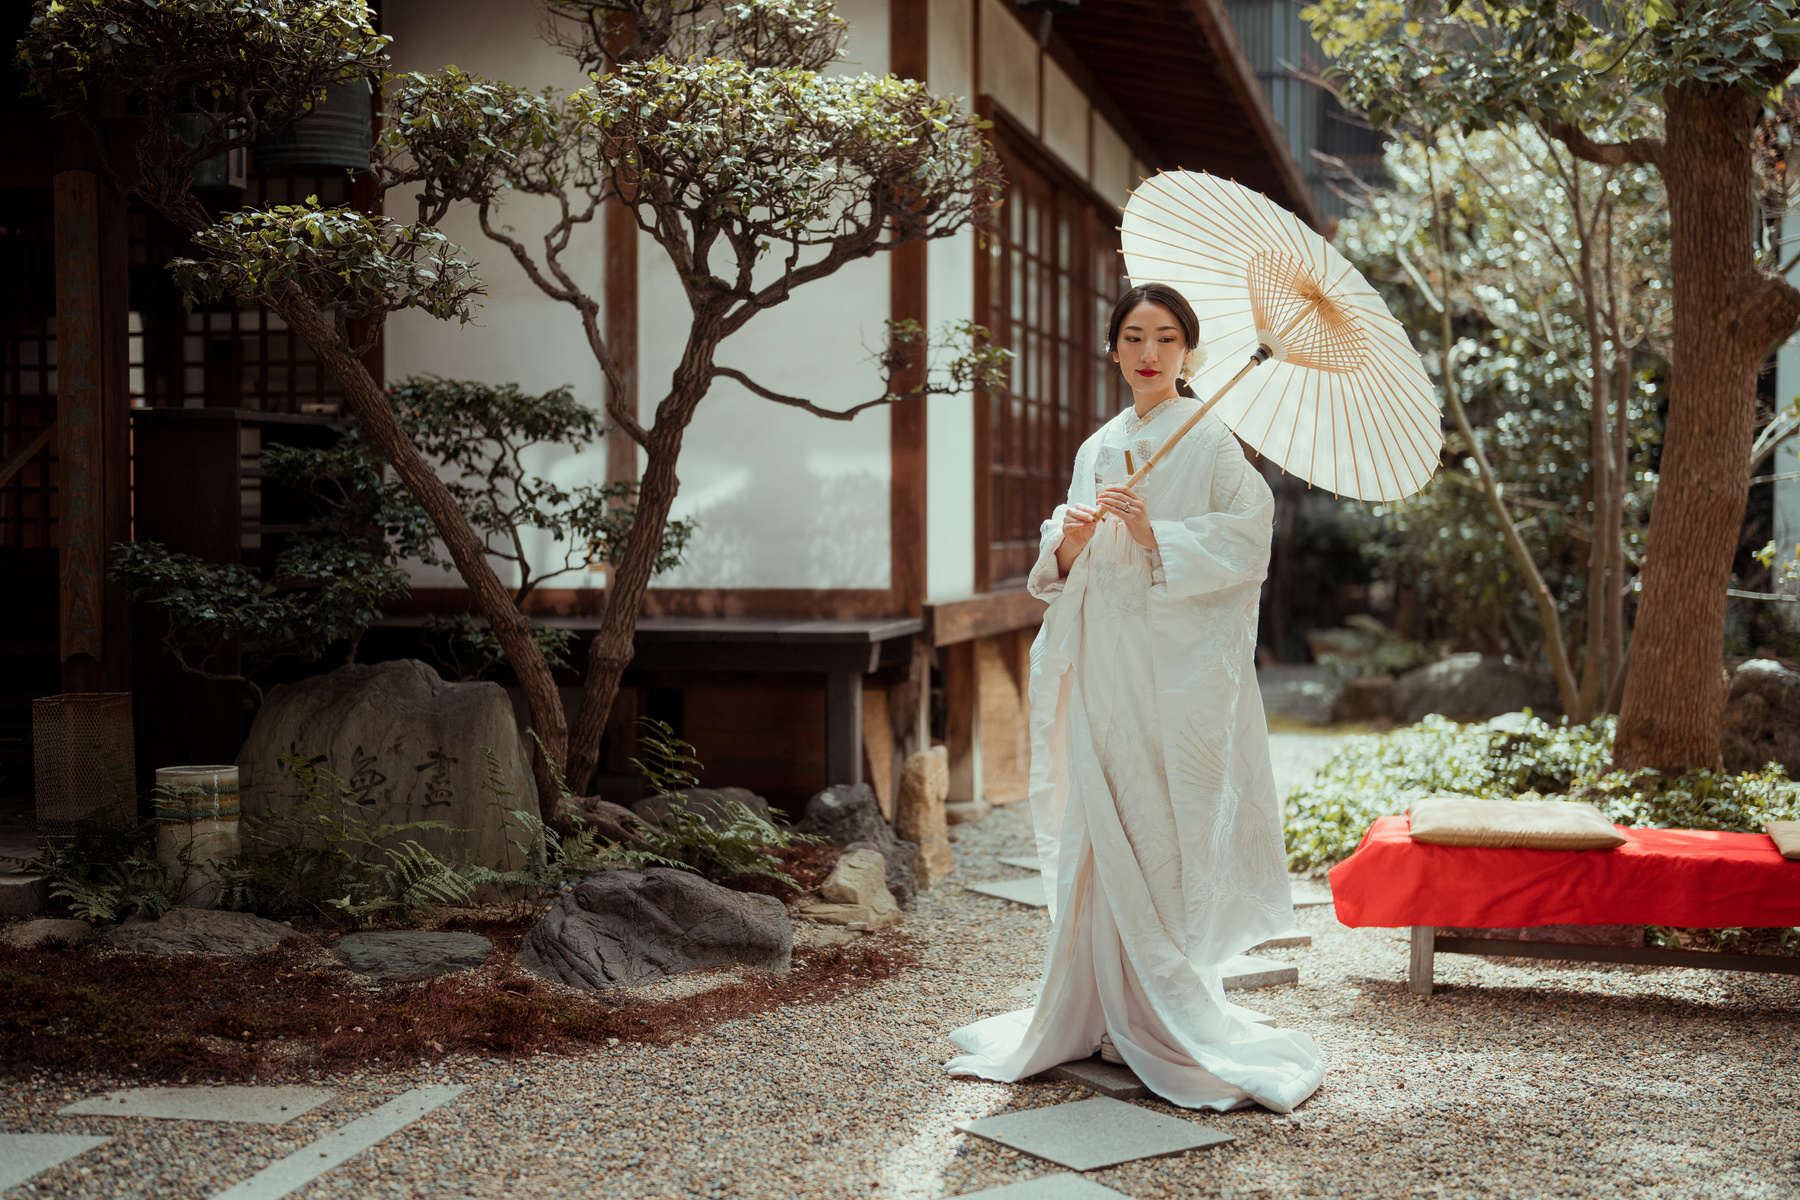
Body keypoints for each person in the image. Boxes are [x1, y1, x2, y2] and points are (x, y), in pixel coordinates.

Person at [944, 283, 1324, 1113]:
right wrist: (1073, 538)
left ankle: (1159, 1005)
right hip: (1103, 659)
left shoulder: (1214, 439)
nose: (1148, 352)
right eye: (1132, 336)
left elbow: (1246, 541)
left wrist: (1159, 535)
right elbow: (1061, 561)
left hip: (1170, 675)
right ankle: (1093, 1003)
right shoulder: (1099, 444)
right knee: (1096, 817)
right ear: (1112, 349)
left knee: (1155, 820)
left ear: (1189, 351)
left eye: (1165, 338)